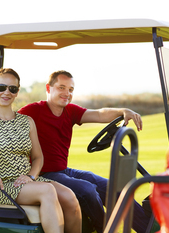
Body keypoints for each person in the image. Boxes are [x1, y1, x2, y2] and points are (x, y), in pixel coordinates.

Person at [17, 70, 150, 233]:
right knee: (87, 189)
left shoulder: (70, 111)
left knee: (111, 186)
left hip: (63, 171)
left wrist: (123, 111)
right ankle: (103, 229)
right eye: (61, 87)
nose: (67, 93)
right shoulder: (33, 110)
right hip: (43, 174)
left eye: (71, 90)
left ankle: (148, 229)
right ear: (48, 88)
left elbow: (100, 114)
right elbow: (6, 122)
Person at [0, 68, 82, 233]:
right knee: (48, 191)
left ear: (17, 92)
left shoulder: (27, 121)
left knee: (69, 196)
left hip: (27, 181)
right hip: (0, 185)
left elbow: (37, 158)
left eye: (12, 89)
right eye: (1, 88)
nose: (7, 92)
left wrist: (30, 176)